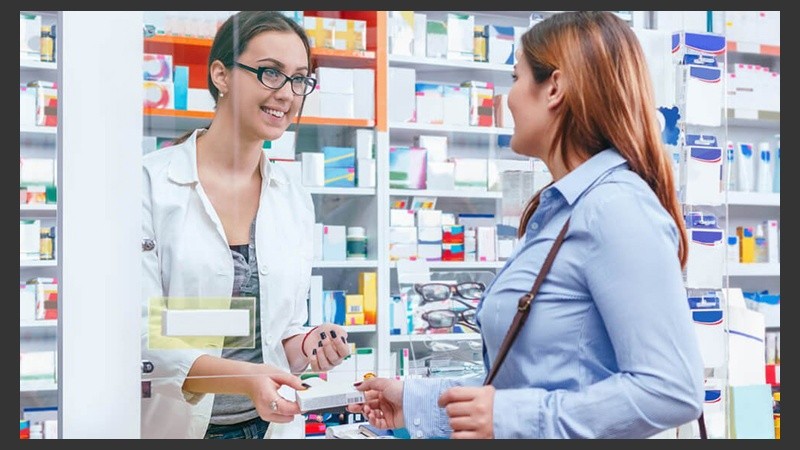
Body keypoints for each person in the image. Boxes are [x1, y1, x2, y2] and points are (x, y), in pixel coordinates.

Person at [348, 11, 705, 439]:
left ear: (554, 88)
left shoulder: (616, 208)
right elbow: (531, 383)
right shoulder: (559, 210)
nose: (509, 98)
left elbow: (671, 390)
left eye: (515, 77)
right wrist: (415, 399)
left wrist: (509, 417)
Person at [141, 11, 351, 439]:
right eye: (270, 73)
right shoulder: (149, 184)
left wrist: (310, 344)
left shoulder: (292, 196)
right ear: (220, 74)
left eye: (299, 80)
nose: (287, 94)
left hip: (269, 426)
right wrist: (245, 377)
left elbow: (278, 333)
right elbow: (142, 332)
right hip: (182, 428)